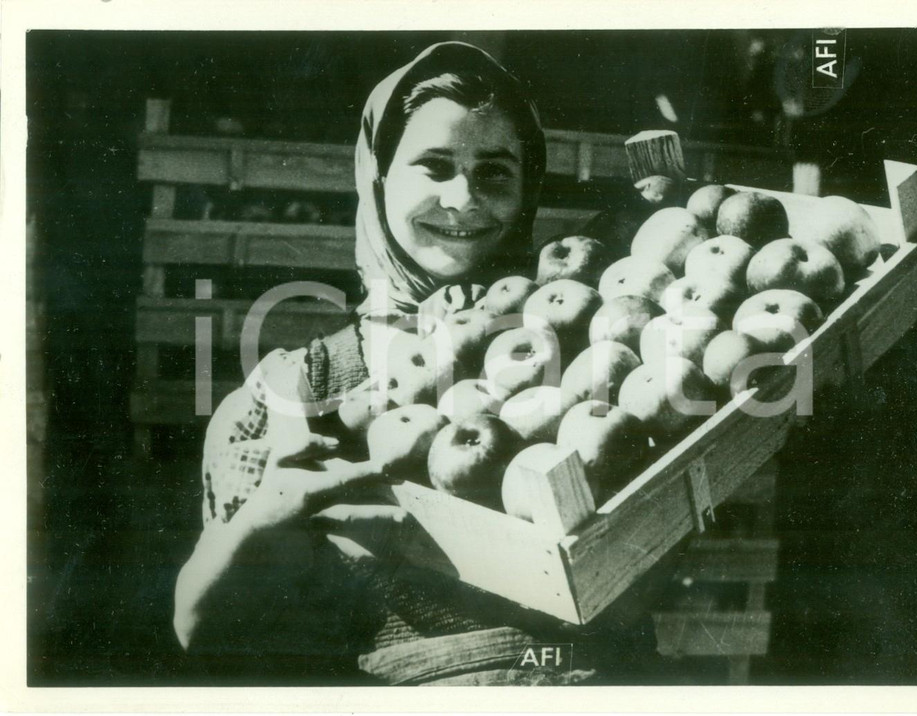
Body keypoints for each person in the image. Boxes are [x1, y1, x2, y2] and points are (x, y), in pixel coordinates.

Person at [174, 42, 659, 685]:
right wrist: (266, 521)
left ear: (529, 188)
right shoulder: (292, 393)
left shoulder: (593, 350)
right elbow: (202, 630)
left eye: (494, 172)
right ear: (378, 180)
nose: (462, 200)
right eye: (434, 167)